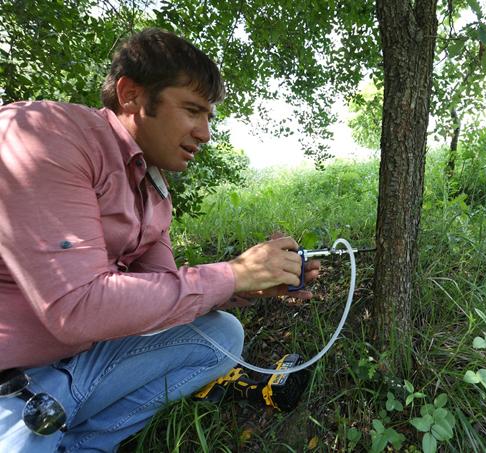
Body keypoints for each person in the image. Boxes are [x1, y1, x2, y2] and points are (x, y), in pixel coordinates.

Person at [0, 28, 320, 452]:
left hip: (80, 360)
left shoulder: (153, 186)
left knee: (221, 335)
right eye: (192, 110)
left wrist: (248, 285)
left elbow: (165, 298)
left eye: (209, 116)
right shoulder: (45, 134)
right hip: (16, 375)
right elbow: (76, 306)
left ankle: (88, 442)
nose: (205, 133)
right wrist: (231, 273)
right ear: (130, 95)